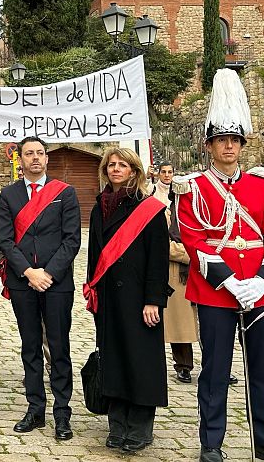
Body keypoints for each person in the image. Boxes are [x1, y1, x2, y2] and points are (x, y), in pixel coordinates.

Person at [174, 69, 264, 462]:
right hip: (216, 293)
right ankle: (211, 443)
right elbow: (194, 240)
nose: (228, 147)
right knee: (214, 373)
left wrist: (262, 281)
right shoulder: (192, 188)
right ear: (210, 146)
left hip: (260, 294)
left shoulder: (262, 186)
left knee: (263, 372)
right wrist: (232, 283)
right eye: (221, 141)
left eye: (234, 140)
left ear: (241, 145)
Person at [85, 148, 170, 453]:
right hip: (108, 297)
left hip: (138, 299)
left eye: (123, 165)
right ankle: (117, 423)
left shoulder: (149, 209)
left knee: (140, 361)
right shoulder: (99, 207)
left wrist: (153, 300)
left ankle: (140, 427)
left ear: (134, 171)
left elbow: (158, 261)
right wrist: (91, 288)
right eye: (111, 165)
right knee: (114, 359)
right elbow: (94, 254)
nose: (116, 169)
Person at [0, 136, 81, 440]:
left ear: (47, 159)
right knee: (30, 347)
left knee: (58, 347)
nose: (34, 158)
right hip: (23, 283)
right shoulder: (8, 195)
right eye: (28, 153)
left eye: (39, 153)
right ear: (20, 159)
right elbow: (5, 240)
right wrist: (29, 272)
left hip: (57, 283)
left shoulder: (65, 193)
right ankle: (35, 409)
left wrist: (48, 273)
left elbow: (72, 239)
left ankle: (62, 413)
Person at [151, 162, 199, 384]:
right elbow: (162, 244)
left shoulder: (197, 215)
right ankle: (183, 366)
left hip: (200, 273)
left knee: (206, 325)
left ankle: (216, 365)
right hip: (176, 273)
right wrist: (188, 252)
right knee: (177, 324)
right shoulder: (165, 213)